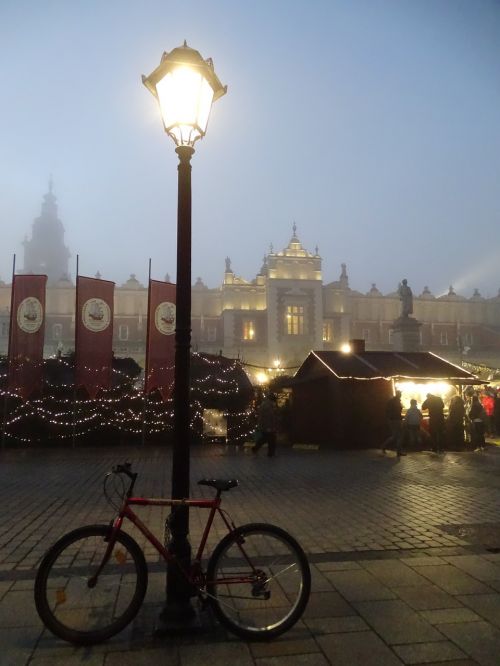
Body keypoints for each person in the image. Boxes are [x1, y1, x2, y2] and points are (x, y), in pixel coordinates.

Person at [252, 393, 279, 457]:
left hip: (266, 425)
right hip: (268, 426)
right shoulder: (268, 406)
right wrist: (269, 427)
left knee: (266, 438)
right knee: (270, 439)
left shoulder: (266, 404)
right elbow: (268, 417)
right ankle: (270, 453)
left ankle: (256, 449)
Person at [382, 390, 405, 456]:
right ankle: (398, 451)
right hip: (396, 420)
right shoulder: (397, 401)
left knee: (395, 436)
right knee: (399, 436)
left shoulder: (391, 401)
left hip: (392, 420)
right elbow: (398, 411)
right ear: (399, 394)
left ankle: (384, 446)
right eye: (400, 394)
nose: (401, 395)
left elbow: (387, 410)